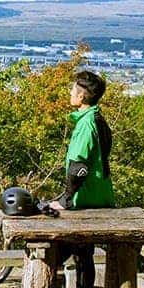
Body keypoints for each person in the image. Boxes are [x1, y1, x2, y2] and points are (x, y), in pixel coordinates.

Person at [49, 69, 115, 211]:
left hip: (86, 200)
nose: (70, 93)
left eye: (72, 90)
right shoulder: (98, 119)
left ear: (81, 97)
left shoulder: (86, 124)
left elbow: (78, 167)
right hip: (103, 194)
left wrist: (65, 200)